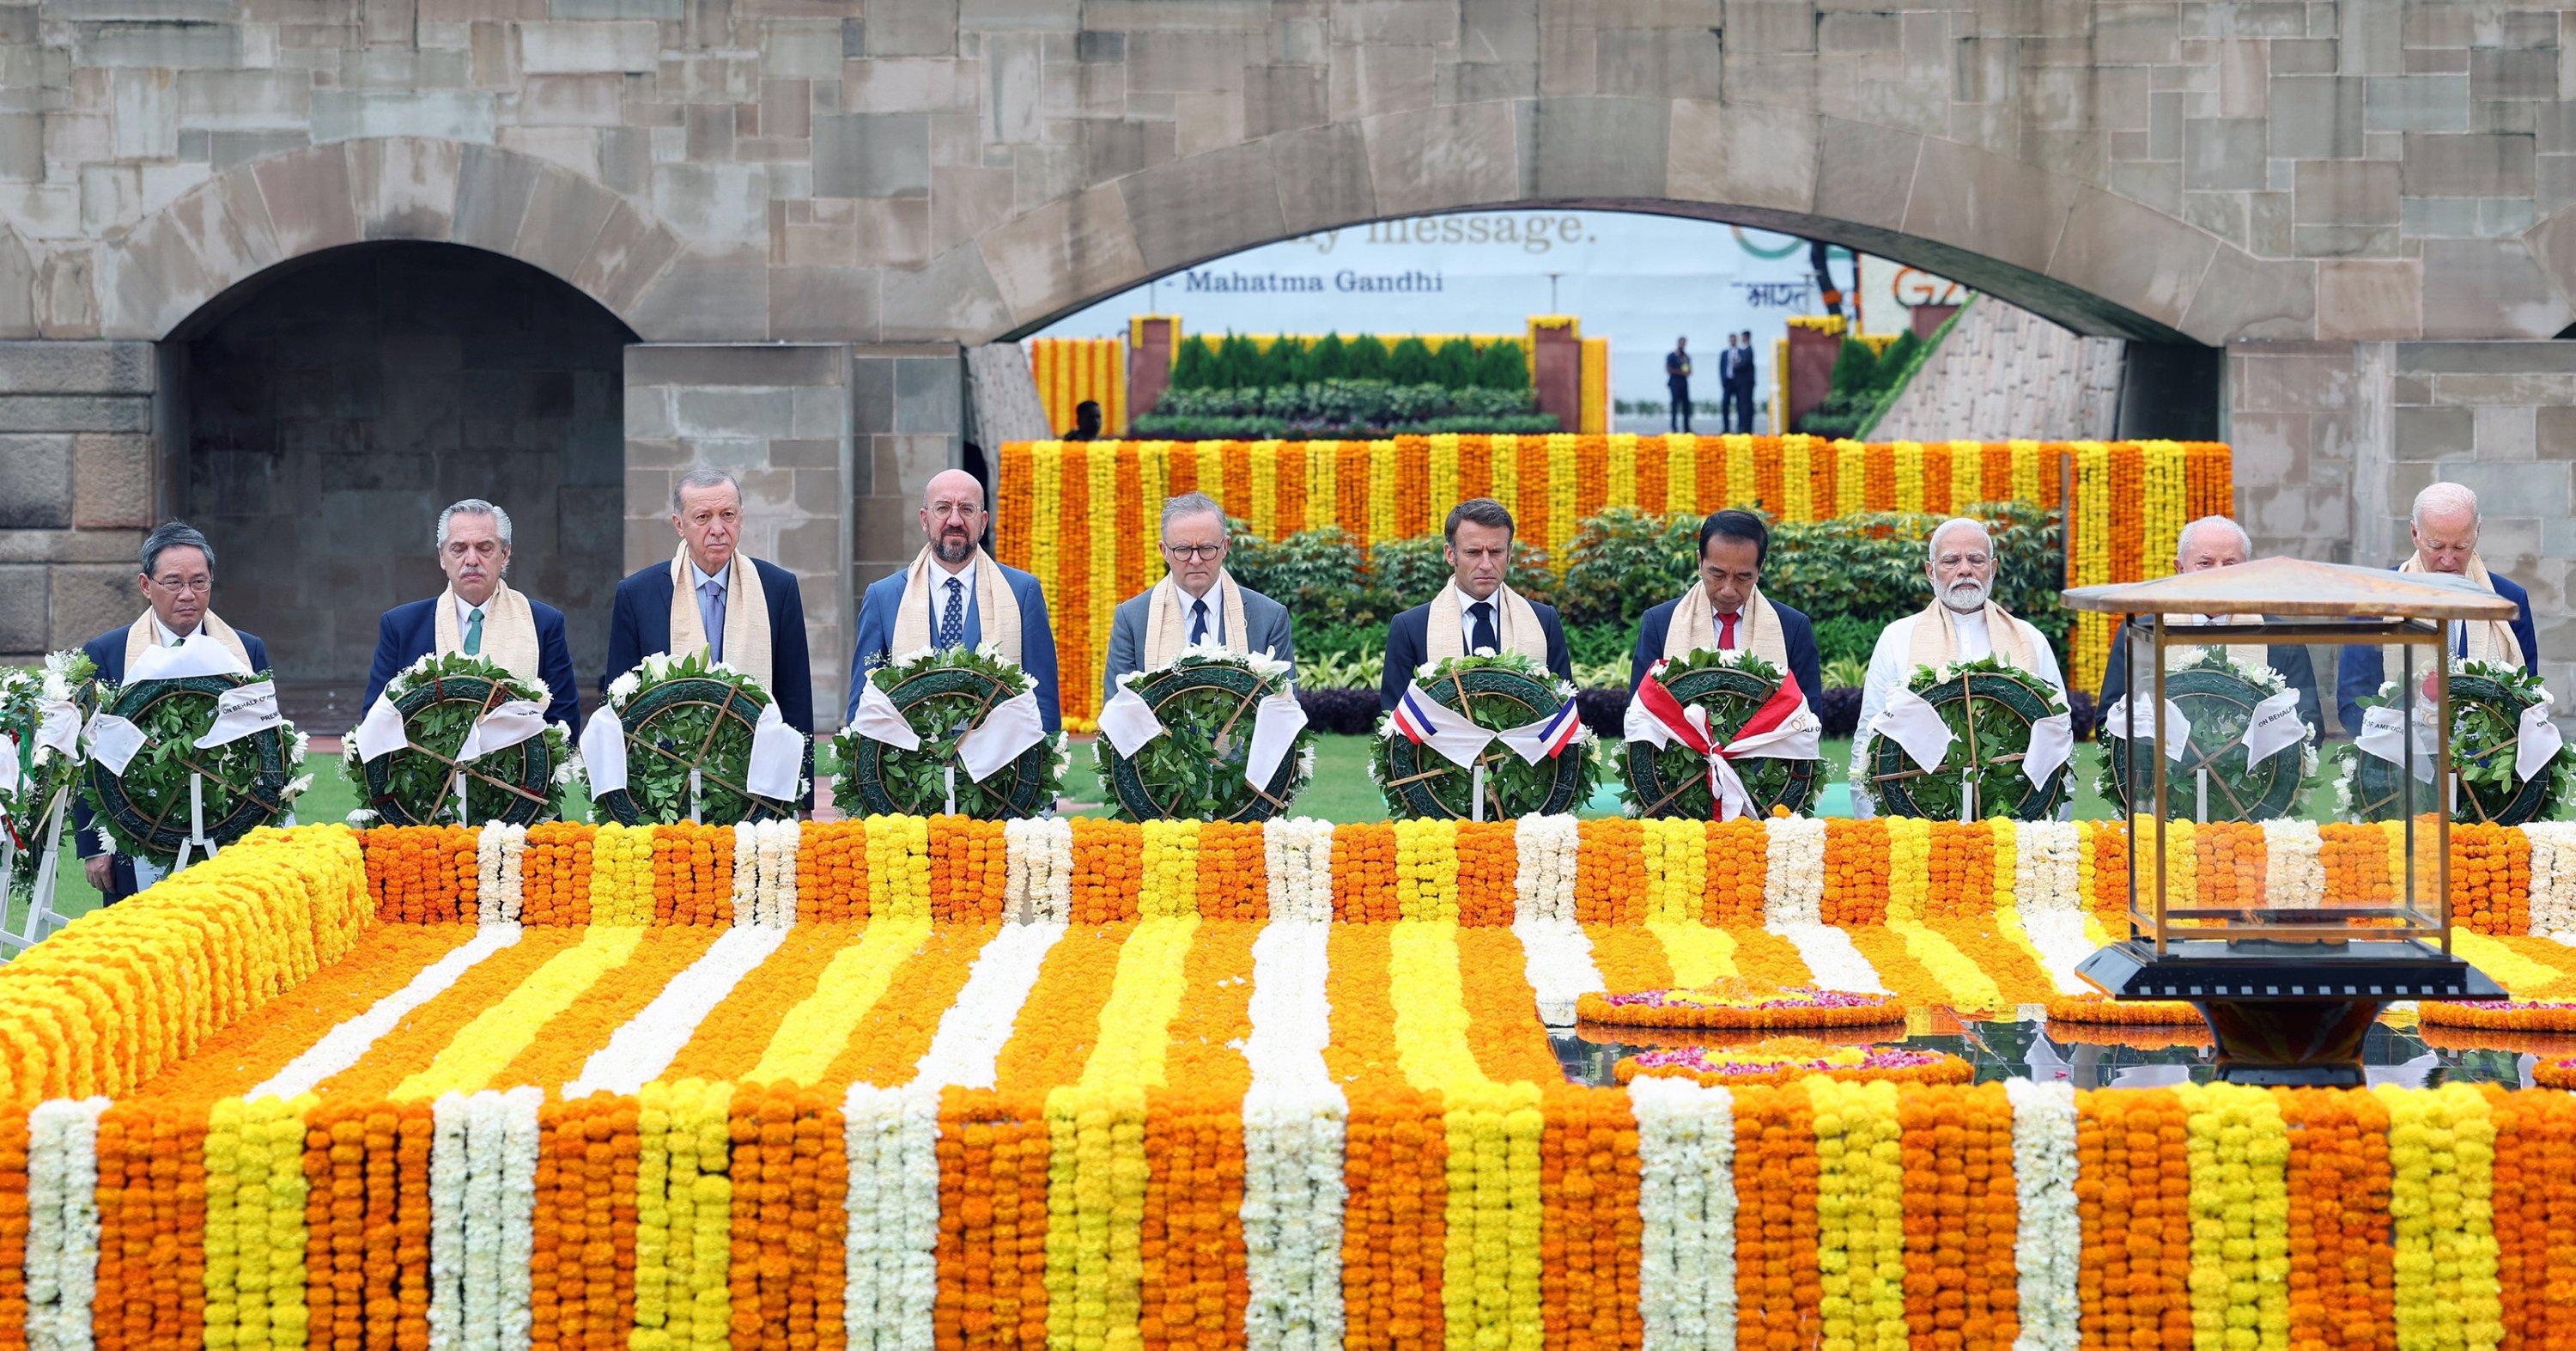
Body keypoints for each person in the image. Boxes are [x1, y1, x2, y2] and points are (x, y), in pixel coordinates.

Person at [76, 520, 274, 902]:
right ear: (146, 586)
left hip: (230, 822)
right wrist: (93, 846)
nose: (188, 595)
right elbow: (90, 755)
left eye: (199, 582)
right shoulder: (107, 653)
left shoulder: (247, 651)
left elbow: (270, 742)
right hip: (134, 826)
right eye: (174, 583)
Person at [602, 468, 816, 782]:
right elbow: (620, 705)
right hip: (667, 781)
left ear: (741, 518)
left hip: (756, 775)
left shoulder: (777, 588)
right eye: (703, 518)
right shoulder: (637, 594)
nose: (718, 528)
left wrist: (802, 794)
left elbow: (795, 697)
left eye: (727, 515)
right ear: (679, 525)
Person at [1849, 516, 2066, 817]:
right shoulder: (1897, 637)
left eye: (1976, 559)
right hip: (1917, 814)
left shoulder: (2030, 639)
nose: (1965, 569)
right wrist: (1876, 828)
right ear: (1930, 571)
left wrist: (2047, 825)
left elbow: (2057, 734)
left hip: (2014, 814)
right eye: (1951, 560)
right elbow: (1869, 737)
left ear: (1993, 568)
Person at [849, 467, 1064, 734]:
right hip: (908, 771)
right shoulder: (884, 597)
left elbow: (1042, 702)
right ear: (925, 519)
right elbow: (863, 706)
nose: (955, 520)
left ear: (983, 521)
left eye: (966, 509)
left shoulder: (1022, 592)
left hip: (1000, 769)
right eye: (942, 508)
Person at [2336, 481, 2541, 735]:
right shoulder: (2375, 600)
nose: (2447, 560)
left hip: (2484, 767)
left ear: (2477, 533)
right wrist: (2405, 747)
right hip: (2402, 764)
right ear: (2414, 534)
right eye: (2436, 546)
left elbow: (2527, 698)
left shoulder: (2509, 599)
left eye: (2460, 547)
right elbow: (2353, 702)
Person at [362, 499, 582, 729]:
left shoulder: (544, 623)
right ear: (442, 557)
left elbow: (564, 722)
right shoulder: (401, 626)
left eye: (484, 548)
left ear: (505, 554)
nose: (471, 560)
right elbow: (376, 721)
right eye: (459, 549)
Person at [2096, 514, 2321, 739]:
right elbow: (2108, 722)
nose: (2219, 573)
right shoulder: (2143, 633)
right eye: (2205, 563)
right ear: (2180, 568)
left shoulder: (2281, 638)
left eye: (2230, 564)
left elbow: (2309, 726)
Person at [1379, 498, 1573, 710]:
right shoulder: (1411, 627)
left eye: (1496, 552)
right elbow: (1394, 721)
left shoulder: (1544, 620)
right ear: (1450, 555)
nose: (1486, 564)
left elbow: (1564, 710)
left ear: (1509, 553)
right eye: (1473, 552)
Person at [1630, 508, 1824, 706]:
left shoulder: (1792, 627)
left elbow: (1809, 722)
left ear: (1760, 570)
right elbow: (1638, 714)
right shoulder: (1660, 622)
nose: (1728, 590)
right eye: (1717, 574)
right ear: (1700, 561)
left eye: (1742, 577)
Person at [1103, 491, 1295, 689]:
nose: (1195, 560)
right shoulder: (1132, 619)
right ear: (1164, 551)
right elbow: (1117, 710)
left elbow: (1284, 708)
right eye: (1183, 550)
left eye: (1206, 548)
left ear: (1225, 547)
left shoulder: (1269, 617)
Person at [1729, 329, 1759, 433]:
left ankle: (1746, 428)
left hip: (1746, 384)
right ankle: (1742, 426)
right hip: (1741, 384)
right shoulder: (1743, 350)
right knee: (1741, 405)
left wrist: (1735, 365)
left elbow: (1744, 364)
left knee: (1746, 405)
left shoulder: (1748, 350)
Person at [1664, 338, 1692, 433]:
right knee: (1675, 406)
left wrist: (1684, 369)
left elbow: (1688, 371)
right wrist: (1681, 372)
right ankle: (1674, 427)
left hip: (1684, 384)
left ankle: (1686, 427)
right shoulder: (1672, 356)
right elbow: (1669, 369)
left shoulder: (1686, 357)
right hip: (1675, 383)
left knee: (1686, 406)